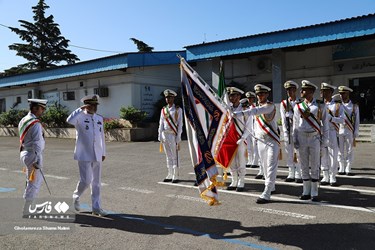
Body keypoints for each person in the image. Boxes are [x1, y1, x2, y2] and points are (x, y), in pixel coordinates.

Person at [236, 84, 279, 203]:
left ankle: (267, 192)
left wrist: (238, 113)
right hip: (260, 141)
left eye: (262, 94)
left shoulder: (269, 106)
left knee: (271, 166)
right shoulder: (255, 108)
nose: (260, 96)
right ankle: (271, 186)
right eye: (258, 94)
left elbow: (256, 111)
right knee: (265, 167)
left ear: (267, 94)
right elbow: (254, 124)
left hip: (271, 140)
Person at [66, 94, 107, 216]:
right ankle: (76, 196)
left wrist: (103, 152)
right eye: (92, 105)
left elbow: (102, 137)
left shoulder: (99, 118)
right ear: (87, 105)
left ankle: (96, 207)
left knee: (96, 182)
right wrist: (80, 109)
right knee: (86, 180)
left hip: (97, 153)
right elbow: (69, 120)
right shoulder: (79, 117)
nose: (95, 107)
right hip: (84, 154)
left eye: (95, 105)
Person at [293, 80, 329, 201]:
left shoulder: (320, 105)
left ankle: (314, 191)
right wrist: (295, 139)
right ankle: (305, 190)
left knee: (315, 164)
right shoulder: (298, 106)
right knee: (303, 164)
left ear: (311, 92)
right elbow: (295, 124)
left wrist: (325, 141)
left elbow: (326, 124)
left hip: (314, 137)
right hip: (302, 137)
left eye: (304, 90)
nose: (301, 92)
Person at [19, 99, 48, 213]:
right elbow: (37, 143)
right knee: (34, 182)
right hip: (33, 155)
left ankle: (29, 204)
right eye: (42, 108)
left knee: (30, 180)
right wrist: (37, 160)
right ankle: (28, 208)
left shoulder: (24, 119)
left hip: (25, 152)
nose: (43, 111)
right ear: (35, 108)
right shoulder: (35, 123)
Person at [320, 83, 345, 186]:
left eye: (325, 91)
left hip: (331, 131)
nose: (322, 93)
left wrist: (332, 119)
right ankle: (325, 175)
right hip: (321, 132)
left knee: (333, 155)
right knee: (323, 155)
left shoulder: (337, 105)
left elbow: (343, 120)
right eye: (322, 91)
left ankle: (332, 176)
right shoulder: (319, 105)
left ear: (331, 92)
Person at [158, 89, 183, 183]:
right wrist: (160, 135)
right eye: (166, 97)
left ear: (173, 98)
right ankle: (169, 173)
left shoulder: (178, 109)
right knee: (168, 155)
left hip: (173, 135)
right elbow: (161, 123)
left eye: (169, 97)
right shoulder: (164, 110)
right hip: (165, 135)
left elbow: (180, 124)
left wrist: (178, 137)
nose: (168, 99)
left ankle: (175, 175)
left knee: (175, 156)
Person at [280, 81, 302, 183]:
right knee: (289, 152)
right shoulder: (284, 103)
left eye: (292, 90)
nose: (290, 92)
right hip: (289, 131)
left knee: (298, 152)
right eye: (288, 90)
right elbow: (283, 120)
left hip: (298, 130)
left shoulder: (301, 102)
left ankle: (298, 173)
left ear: (295, 90)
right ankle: (291, 172)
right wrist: (285, 133)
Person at [226, 87, 247, 192]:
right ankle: (234, 180)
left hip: (240, 138)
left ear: (239, 96)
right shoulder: (227, 109)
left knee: (241, 161)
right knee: (232, 161)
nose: (231, 97)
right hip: (230, 139)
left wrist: (243, 138)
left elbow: (249, 126)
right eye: (230, 95)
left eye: (233, 95)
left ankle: (241, 181)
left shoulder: (244, 109)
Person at [338, 86, 360, 175]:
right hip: (339, 129)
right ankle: (341, 166)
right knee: (340, 149)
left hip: (349, 130)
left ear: (348, 94)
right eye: (340, 94)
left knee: (349, 149)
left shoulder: (354, 106)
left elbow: (357, 120)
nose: (342, 95)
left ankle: (348, 167)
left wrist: (356, 132)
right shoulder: (338, 105)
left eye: (344, 93)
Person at [244, 91, 261, 174]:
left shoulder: (256, 107)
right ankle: (250, 160)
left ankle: (255, 161)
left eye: (250, 98)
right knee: (249, 146)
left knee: (255, 146)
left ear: (253, 99)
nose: (249, 100)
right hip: (248, 129)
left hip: (254, 129)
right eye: (248, 98)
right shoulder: (246, 107)